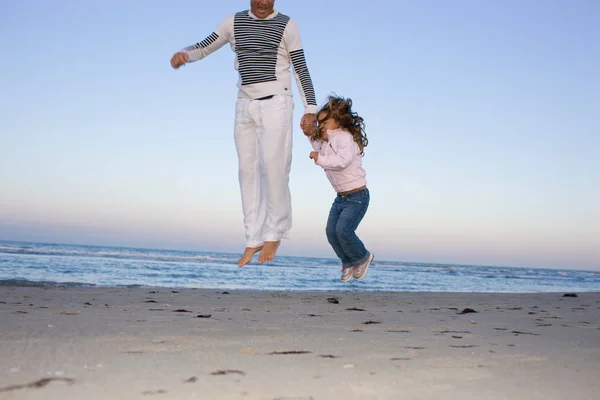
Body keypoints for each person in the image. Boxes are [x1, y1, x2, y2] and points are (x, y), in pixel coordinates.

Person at [170, 0, 317, 267]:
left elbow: (300, 68)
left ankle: (275, 232)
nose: (263, 2)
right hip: (244, 104)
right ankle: (253, 237)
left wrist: (311, 109)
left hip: (276, 102)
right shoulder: (233, 21)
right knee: (247, 172)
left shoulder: (287, 25)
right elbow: (204, 46)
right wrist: (185, 54)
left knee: (274, 168)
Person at [306, 95, 374, 282]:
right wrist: (310, 135)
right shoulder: (327, 137)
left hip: (357, 196)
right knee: (331, 232)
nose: (321, 126)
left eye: (324, 122)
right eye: (319, 123)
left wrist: (320, 159)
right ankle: (347, 261)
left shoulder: (345, 138)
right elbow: (319, 145)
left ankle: (362, 257)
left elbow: (342, 162)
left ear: (337, 120)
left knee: (343, 230)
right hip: (341, 198)